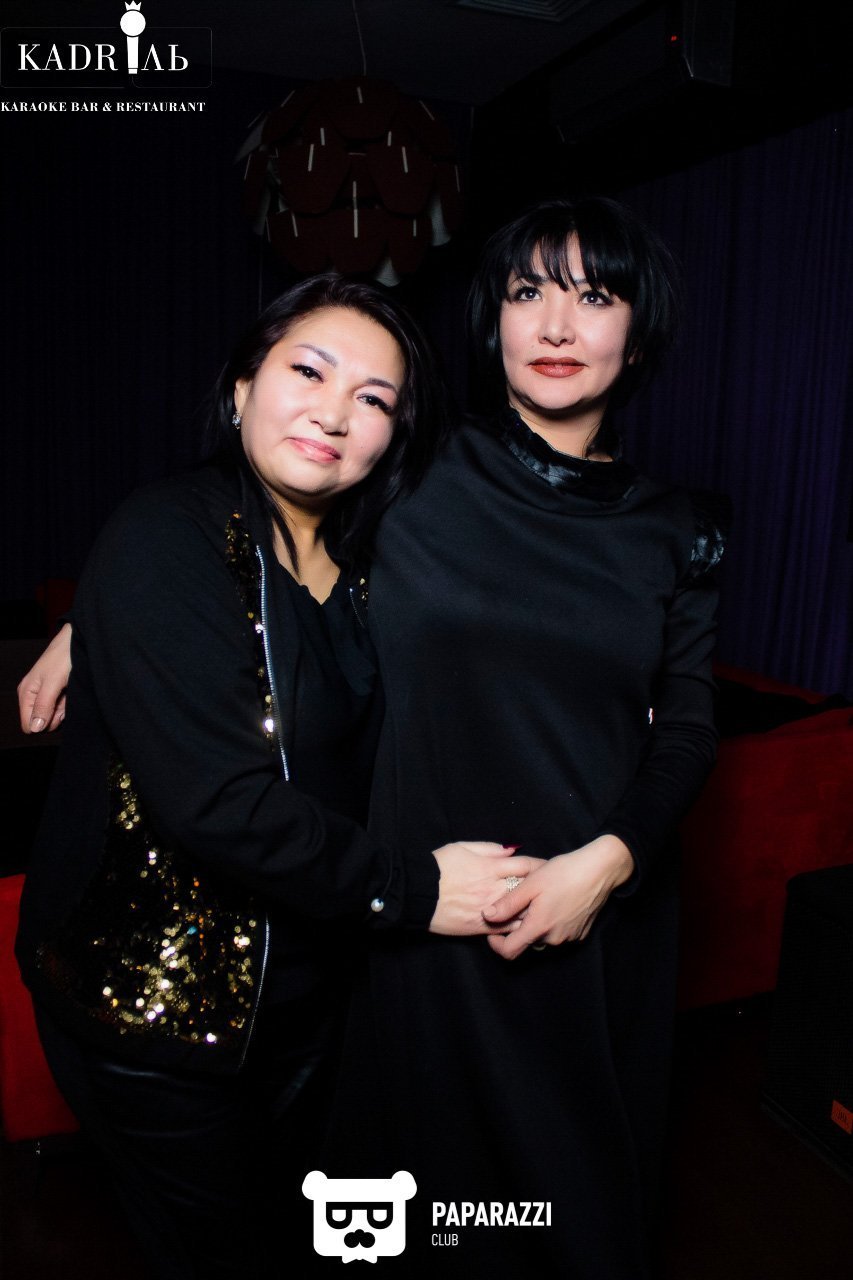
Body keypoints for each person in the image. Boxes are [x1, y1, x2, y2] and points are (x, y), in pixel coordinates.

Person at [21, 199, 728, 1279]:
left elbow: (684, 725)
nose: (554, 324)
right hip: (410, 905)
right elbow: (246, 527)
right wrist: (97, 621)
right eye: (527, 292)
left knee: (565, 1211)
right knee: (402, 1217)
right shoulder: (414, 469)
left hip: (587, 900)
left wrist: (611, 861)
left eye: (594, 296)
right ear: (492, 321)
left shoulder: (682, 529)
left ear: (638, 335)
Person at [15, 273, 538, 1280]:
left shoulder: (374, 565)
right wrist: (415, 889)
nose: (334, 412)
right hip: (162, 1022)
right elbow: (221, 804)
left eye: (374, 398)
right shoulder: (167, 533)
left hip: (312, 999)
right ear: (242, 385)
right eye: (309, 370)